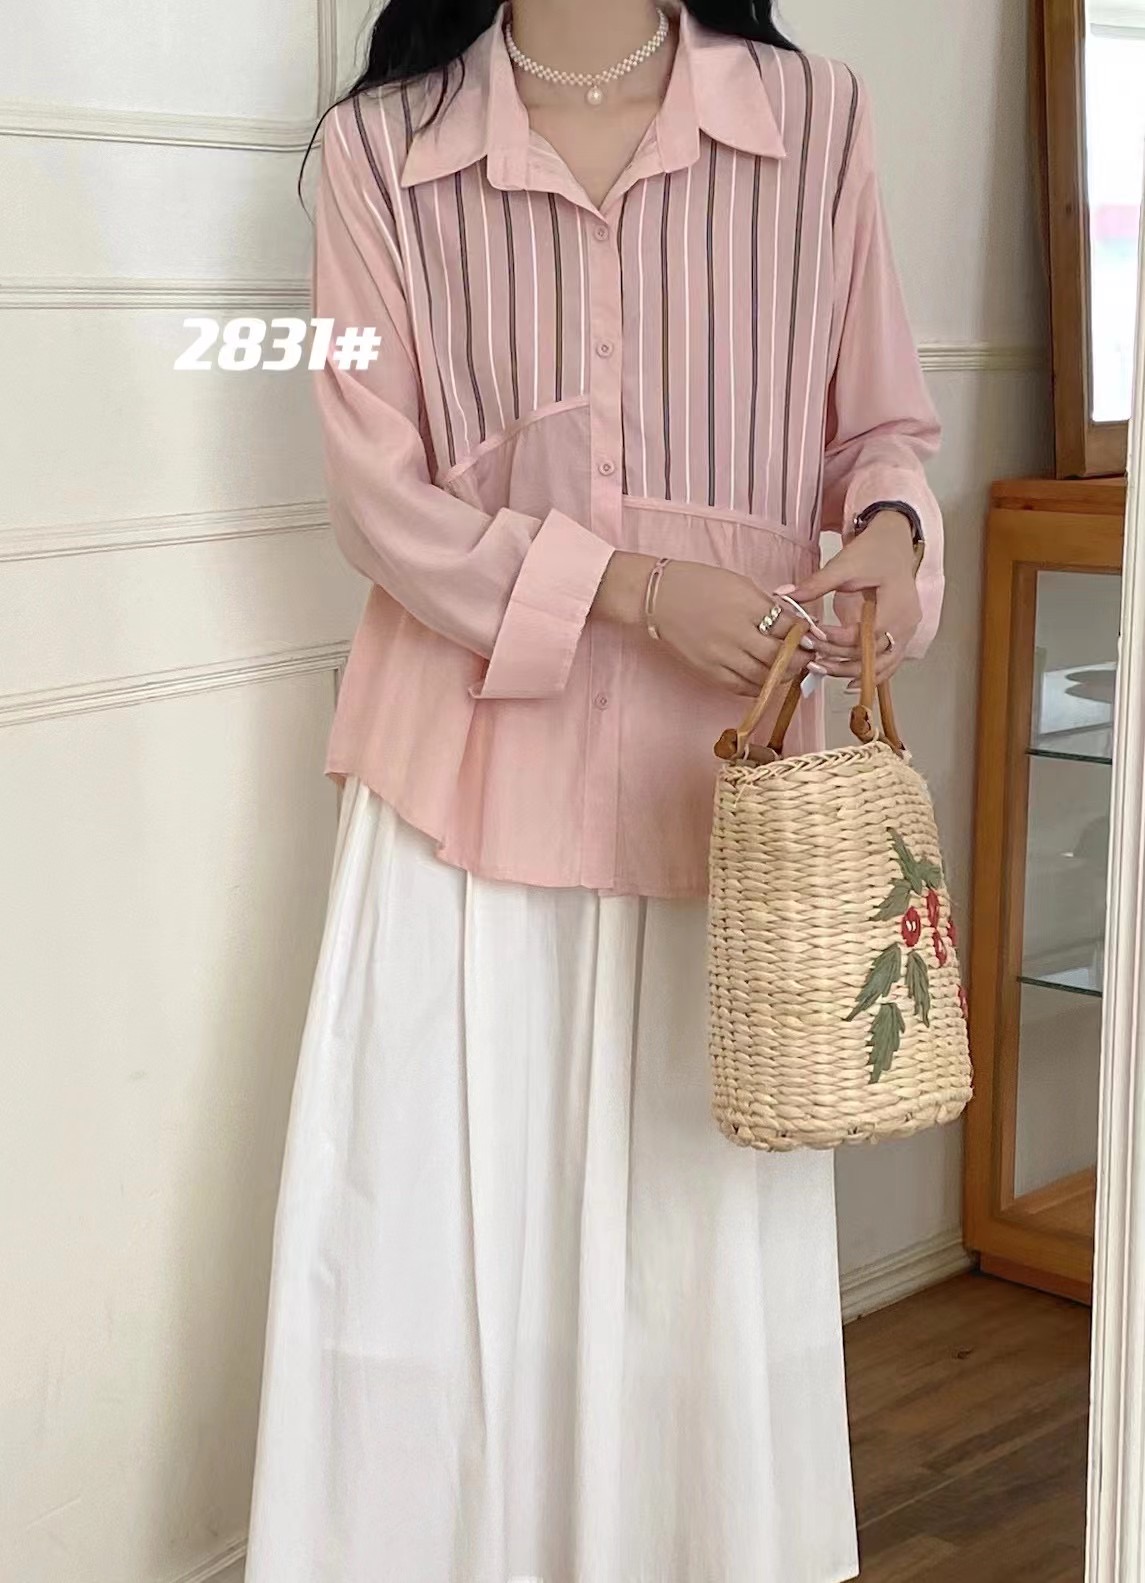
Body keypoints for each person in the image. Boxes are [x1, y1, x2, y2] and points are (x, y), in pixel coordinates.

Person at [245, 2, 944, 1579]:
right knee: (435, 1233)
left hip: (726, 787)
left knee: (692, 1239)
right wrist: (630, 588)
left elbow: (884, 431)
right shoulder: (382, 148)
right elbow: (374, 491)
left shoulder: (812, 117)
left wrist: (888, 540)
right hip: (465, 776)